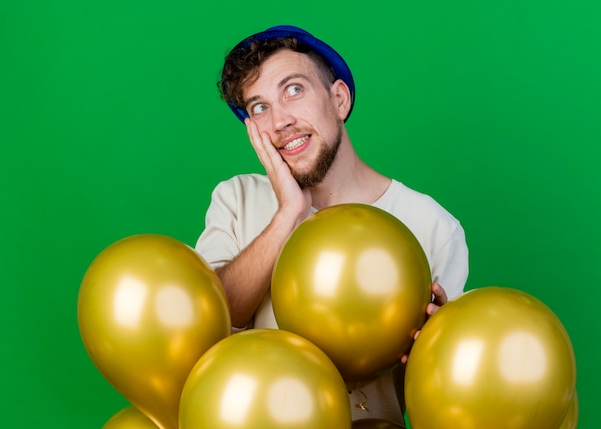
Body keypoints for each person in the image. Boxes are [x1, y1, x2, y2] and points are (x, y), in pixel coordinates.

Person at [195, 25, 469, 426]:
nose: (280, 121)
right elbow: (207, 331)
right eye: (259, 107)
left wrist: (441, 344)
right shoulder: (235, 198)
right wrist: (288, 213)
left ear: (338, 99)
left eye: (293, 90)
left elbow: (439, 400)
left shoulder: (432, 226)